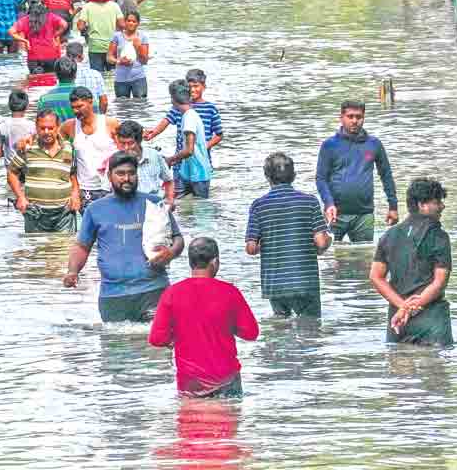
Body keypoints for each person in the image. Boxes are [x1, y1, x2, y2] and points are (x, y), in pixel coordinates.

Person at [64, 151, 184, 322]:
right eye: (120, 174)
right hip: (113, 297)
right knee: (116, 339)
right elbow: (82, 247)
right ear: (109, 176)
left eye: (131, 173)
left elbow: (178, 239)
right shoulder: (95, 210)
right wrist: (72, 271)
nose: (127, 178)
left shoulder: (154, 203)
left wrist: (171, 253)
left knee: (156, 339)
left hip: (154, 291)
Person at [149, 237, 259, 398]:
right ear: (215, 262)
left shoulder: (172, 293)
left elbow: (157, 338)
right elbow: (251, 333)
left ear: (190, 263)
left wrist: (174, 338)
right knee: (229, 413)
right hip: (226, 380)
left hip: (190, 383)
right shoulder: (230, 292)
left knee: (192, 414)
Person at [244, 153, 332, 318]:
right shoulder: (310, 202)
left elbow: (251, 248)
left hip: (275, 284)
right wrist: (329, 240)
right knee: (310, 328)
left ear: (267, 177)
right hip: (305, 283)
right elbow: (320, 242)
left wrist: (270, 242)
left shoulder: (258, 205)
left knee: (281, 329)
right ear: (294, 176)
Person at [370, 177, 453, 346]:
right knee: (434, 361)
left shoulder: (388, 236)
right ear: (422, 205)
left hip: (398, 320)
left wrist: (402, 306)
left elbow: (376, 277)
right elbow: (439, 282)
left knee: (399, 361)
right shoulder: (439, 236)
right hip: (431, 319)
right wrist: (413, 306)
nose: (442, 206)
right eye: (437, 202)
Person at [315, 101, 399, 244]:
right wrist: (328, 203)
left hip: (364, 215)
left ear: (363, 118)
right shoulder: (329, 145)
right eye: (350, 116)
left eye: (359, 117)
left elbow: (386, 176)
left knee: (365, 255)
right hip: (335, 214)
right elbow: (321, 178)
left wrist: (393, 207)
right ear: (341, 118)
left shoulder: (374, 144)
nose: (354, 121)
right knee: (330, 254)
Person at [8, 110, 80, 234]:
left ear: (58, 127)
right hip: (35, 214)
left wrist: (75, 195)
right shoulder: (27, 148)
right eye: (42, 128)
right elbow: (12, 173)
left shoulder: (68, 148)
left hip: (64, 213)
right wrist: (20, 197)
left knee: (65, 245)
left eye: (50, 128)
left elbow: (73, 175)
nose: (46, 132)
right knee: (37, 245)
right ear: (36, 128)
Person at [60, 87, 120, 212]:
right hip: (85, 190)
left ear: (91, 102)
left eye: (79, 106)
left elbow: (125, 150)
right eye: (73, 107)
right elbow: (49, 139)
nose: (76, 111)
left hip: (111, 187)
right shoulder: (69, 126)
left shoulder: (110, 123)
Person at [146, 68, 223, 166]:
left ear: (204, 87)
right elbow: (166, 120)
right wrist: (153, 133)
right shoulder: (180, 106)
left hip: (202, 159)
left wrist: (204, 147)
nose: (193, 90)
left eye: (196, 86)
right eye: (190, 87)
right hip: (180, 158)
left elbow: (219, 134)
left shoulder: (210, 109)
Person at [164, 79, 214, 199]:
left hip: (198, 174)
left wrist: (171, 159)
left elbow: (189, 150)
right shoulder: (189, 115)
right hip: (190, 172)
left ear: (173, 99)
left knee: (200, 207)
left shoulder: (189, 118)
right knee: (183, 206)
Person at [114, 120, 173, 205]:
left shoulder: (154, 155)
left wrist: (170, 200)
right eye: (123, 143)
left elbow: (168, 181)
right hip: (127, 205)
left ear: (139, 141)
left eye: (130, 143)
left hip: (154, 204)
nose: (126, 148)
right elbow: (107, 191)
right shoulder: (114, 161)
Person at [74, 0, 122, 73]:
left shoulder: (88, 6)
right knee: (112, 74)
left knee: (96, 74)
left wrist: (87, 29)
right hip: (111, 46)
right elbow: (122, 25)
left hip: (94, 46)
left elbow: (80, 26)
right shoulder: (114, 6)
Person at [10, 0, 68, 74]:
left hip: (33, 58)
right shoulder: (51, 16)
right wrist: (55, 35)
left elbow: (11, 31)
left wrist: (25, 41)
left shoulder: (25, 20)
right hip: (52, 56)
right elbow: (64, 24)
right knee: (51, 78)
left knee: (34, 79)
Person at [107, 9, 150, 98]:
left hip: (138, 78)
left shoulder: (142, 37)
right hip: (121, 79)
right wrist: (119, 61)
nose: (131, 23)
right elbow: (109, 57)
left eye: (134, 21)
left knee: (140, 104)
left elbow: (145, 61)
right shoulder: (117, 36)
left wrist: (138, 47)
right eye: (129, 21)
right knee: (122, 104)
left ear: (138, 23)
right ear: (125, 22)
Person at [67, 41, 109, 114]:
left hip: (73, 113)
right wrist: (100, 117)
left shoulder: (65, 74)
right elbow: (104, 101)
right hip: (92, 114)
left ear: (66, 57)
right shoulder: (96, 74)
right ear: (82, 56)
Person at [0, 89, 34, 168]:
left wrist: (7, 152)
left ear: (9, 105)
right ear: (27, 106)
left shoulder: (2, 127)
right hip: (28, 165)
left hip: (11, 167)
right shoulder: (32, 126)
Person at [36, 57, 79, 122]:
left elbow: (41, 123)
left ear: (56, 75)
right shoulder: (87, 98)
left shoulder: (44, 99)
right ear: (75, 75)